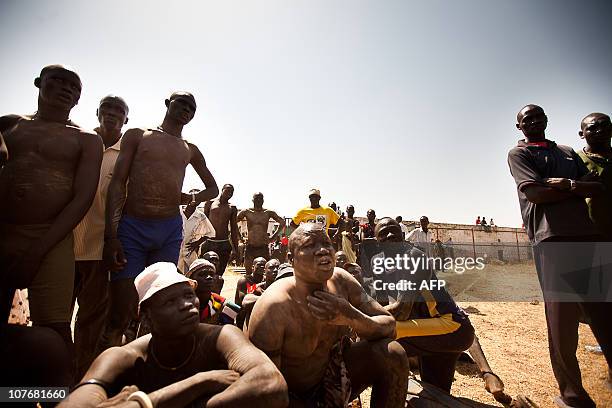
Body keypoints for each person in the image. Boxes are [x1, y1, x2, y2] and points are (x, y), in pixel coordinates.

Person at [59, 262, 288, 408]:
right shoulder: (123, 356)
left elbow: (271, 385)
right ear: (145, 315)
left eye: (189, 295)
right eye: (170, 301)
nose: (187, 305)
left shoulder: (221, 337)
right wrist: (197, 383)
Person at [508, 104, 610, 407]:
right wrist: (577, 190)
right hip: (551, 239)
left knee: (605, 314)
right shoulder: (520, 154)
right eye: (528, 119)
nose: (534, 121)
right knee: (562, 321)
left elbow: (598, 188)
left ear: (547, 120)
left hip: (587, 236)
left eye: (539, 117)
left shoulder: (567, 151)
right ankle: (573, 395)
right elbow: (535, 194)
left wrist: (566, 184)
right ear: (520, 127)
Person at [100, 91, 219, 351]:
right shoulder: (138, 135)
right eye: (182, 103)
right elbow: (118, 184)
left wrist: (191, 195)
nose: (186, 109)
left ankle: (151, 368)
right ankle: (103, 375)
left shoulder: (189, 149)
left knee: (160, 303)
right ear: (167, 104)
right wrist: (112, 236)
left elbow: (213, 189)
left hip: (168, 231)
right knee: (121, 308)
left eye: (192, 107)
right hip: (133, 227)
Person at [0, 65, 103, 358]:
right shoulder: (9, 125)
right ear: (38, 83)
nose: (66, 88)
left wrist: (37, 251)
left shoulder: (85, 139)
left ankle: (59, 399)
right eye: (57, 81)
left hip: (51, 237)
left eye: (74, 87)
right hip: (3, 231)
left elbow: (82, 198)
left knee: (54, 332)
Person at [248, 223, 410, 407]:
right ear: (291, 259)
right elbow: (264, 387)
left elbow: (390, 326)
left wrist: (349, 315)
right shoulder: (275, 306)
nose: (322, 250)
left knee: (392, 354)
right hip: (289, 398)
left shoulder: (342, 281)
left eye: (326, 243)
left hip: (334, 380)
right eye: (310, 246)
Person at [372, 218, 475, 393]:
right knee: (437, 394)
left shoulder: (413, 256)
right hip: (429, 328)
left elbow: (401, 310)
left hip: (452, 326)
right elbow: (379, 305)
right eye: (383, 233)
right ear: (377, 243)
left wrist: (360, 320)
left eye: (393, 231)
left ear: (403, 235)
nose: (390, 235)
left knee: (380, 338)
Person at [72, 95, 129, 379]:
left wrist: (115, 242)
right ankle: (53, 380)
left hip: (101, 248)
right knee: (54, 318)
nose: (112, 113)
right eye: (107, 108)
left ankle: (81, 380)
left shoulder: (127, 154)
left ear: (126, 120)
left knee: (90, 320)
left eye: (119, 110)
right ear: (97, 112)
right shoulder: (80, 142)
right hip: (63, 244)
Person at [578, 112, 612, 241]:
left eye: (604, 126)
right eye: (592, 128)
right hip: (589, 234)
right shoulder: (573, 159)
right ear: (582, 134)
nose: (600, 130)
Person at [236, 192, 285, 275]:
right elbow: (234, 222)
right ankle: (250, 288)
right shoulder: (246, 212)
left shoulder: (268, 212)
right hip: (250, 246)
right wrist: (240, 237)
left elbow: (282, 222)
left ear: (263, 200)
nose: (258, 201)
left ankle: (262, 288)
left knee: (265, 273)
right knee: (248, 273)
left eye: (260, 199)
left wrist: (273, 236)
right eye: (256, 198)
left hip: (263, 246)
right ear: (252, 200)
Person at [186, 259, 240, 325]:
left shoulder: (224, 306)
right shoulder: (182, 304)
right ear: (191, 280)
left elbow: (227, 331)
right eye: (202, 274)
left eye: (212, 274)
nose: (209, 277)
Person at [203, 184, 239, 275]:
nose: (229, 193)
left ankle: (216, 289)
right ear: (222, 190)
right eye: (227, 191)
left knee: (219, 273)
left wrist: (236, 249)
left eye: (232, 192)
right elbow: (203, 223)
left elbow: (234, 229)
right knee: (206, 270)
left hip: (224, 243)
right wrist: (200, 241)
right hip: (209, 242)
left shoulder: (232, 208)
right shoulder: (210, 203)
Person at [178, 189, 216, 273]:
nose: (194, 201)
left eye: (197, 199)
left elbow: (211, 233)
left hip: (190, 251)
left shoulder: (200, 216)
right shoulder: (177, 211)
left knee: (192, 272)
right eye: (192, 198)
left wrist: (197, 243)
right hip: (175, 248)